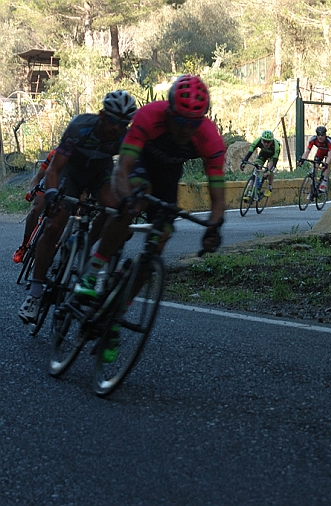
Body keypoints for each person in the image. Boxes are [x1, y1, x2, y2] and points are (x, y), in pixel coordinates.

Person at [72, 75, 225, 362]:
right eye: (180, 121)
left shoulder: (208, 137)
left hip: (168, 176)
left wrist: (215, 227)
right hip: (139, 163)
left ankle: (114, 315)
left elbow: (218, 198)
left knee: (161, 239)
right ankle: (92, 273)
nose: (185, 130)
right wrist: (125, 198)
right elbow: (122, 169)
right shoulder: (148, 117)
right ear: (169, 111)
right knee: (135, 201)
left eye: (193, 123)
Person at [18, 91, 137, 325]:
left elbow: (126, 170)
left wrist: (129, 200)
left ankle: (88, 246)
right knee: (53, 226)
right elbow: (55, 168)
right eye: (113, 120)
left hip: (99, 172)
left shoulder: (125, 137)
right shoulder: (80, 126)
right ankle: (35, 293)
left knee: (115, 209)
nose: (117, 127)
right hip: (70, 172)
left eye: (124, 123)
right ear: (102, 115)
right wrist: (51, 194)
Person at [13, 148, 55, 263]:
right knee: (36, 209)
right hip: (46, 186)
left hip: (64, 189)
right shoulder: (54, 154)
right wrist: (31, 191)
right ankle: (23, 246)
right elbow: (37, 177)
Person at [239, 129, 281, 198]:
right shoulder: (258, 141)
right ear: (262, 140)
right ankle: (250, 192)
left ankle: (269, 187)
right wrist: (244, 162)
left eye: (268, 142)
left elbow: (274, 163)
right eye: (264, 141)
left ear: (272, 141)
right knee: (256, 169)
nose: (266, 144)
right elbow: (250, 152)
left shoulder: (276, 146)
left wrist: (270, 171)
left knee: (269, 168)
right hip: (263, 154)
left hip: (272, 156)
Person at [297, 125, 331, 193]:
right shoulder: (313, 140)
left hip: (329, 152)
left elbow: (330, 156)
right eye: (318, 135)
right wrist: (302, 160)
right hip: (321, 151)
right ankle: (313, 186)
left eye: (322, 135)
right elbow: (307, 151)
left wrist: (325, 164)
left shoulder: (330, 142)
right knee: (315, 165)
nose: (320, 137)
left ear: (325, 135)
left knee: (327, 163)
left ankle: (324, 182)